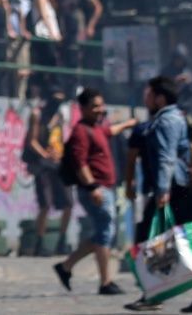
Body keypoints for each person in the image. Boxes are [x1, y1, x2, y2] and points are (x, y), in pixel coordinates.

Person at [125, 76, 192, 313]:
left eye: (149, 94)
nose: (146, 98)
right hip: (181, 187)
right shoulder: (173, 118)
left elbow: (166, 158)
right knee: (188, 237)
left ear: (160, 98)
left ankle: (152, 295)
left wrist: (162, 191)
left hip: (173, 188)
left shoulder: (166, 121)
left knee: (146, 239)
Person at [52, 88, 136, 296]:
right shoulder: (81, 131)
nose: (100, 110)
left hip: (106, 188)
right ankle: (105, 282)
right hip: (96, 189)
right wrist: (92, 187)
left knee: (103, 233)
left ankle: (66, 267)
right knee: (105, 233)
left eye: (101, 105)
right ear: (83, 109)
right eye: (95, 106)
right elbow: (80, 163)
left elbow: (110, 131)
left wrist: (128, 124)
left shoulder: (96, 127)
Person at [24, 89, 73, 256]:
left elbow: (60, 139)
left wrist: (60, 155)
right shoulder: (37, 114)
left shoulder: (59, 116)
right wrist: (45, 154)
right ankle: (40, 242)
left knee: (68, 202)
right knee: (45, 204)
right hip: (42, 164)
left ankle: (62, 240)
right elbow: (32, 141)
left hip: (57, 163)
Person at [57, 0, 103, 82]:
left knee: (77, 58)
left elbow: (98, 7)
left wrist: (91, 26)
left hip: (78, 30)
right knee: (63, 60)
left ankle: (78, 87)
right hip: (63, 31)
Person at [0, 0, 32, 98]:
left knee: (23, 69)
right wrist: (9, 28)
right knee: (9, 67)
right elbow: (6, 5)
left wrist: (23, 29)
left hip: (18, 30)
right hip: (7, 30)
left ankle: (20, 97)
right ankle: (7, 96)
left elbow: (20, 9)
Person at [30, 0, 63, 96]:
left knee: (51, 64)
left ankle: (50, 91)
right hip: (44, 36)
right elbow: (44, 16)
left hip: (51, 36)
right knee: (47, 64)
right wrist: (52, 34)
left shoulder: (51, 1)